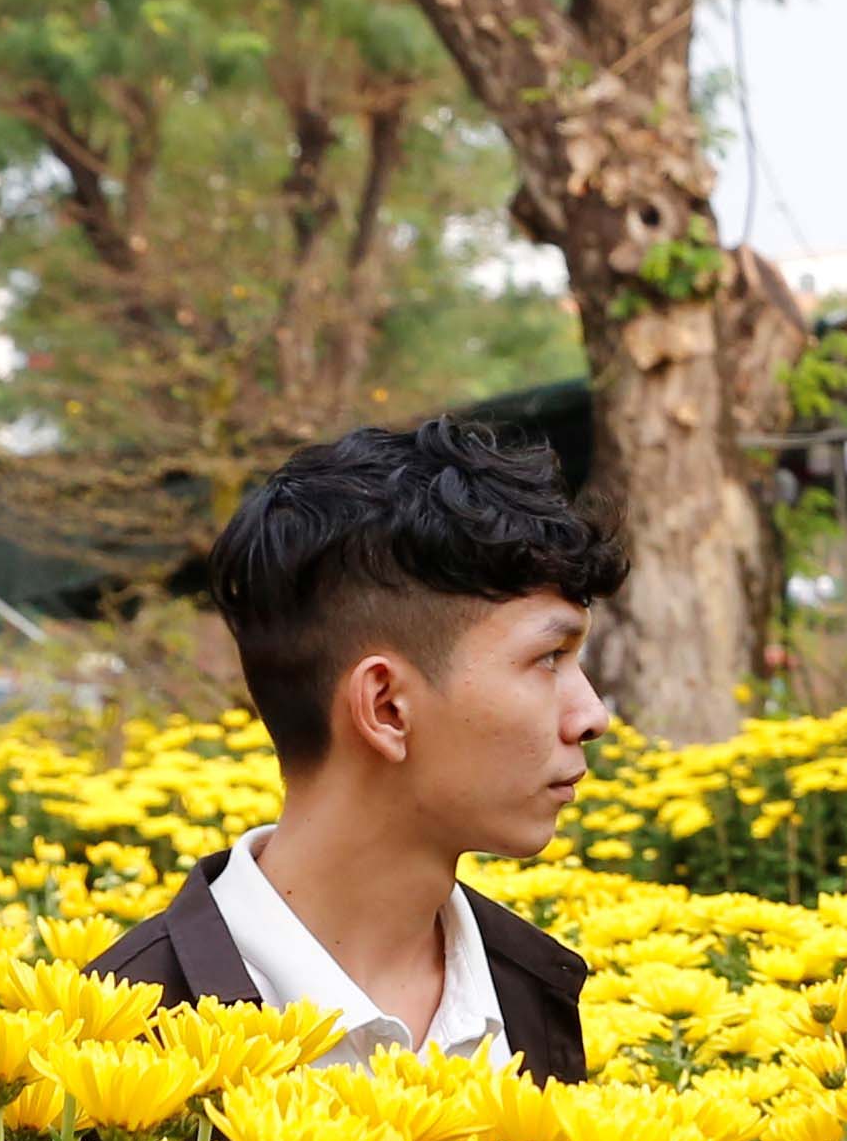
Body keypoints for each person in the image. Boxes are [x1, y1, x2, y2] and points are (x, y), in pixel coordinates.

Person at [93, 418, 612, 1077]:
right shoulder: (117, 1042)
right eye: (550, 657)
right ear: (386, 708)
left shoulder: (531, 994)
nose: (591, 715)